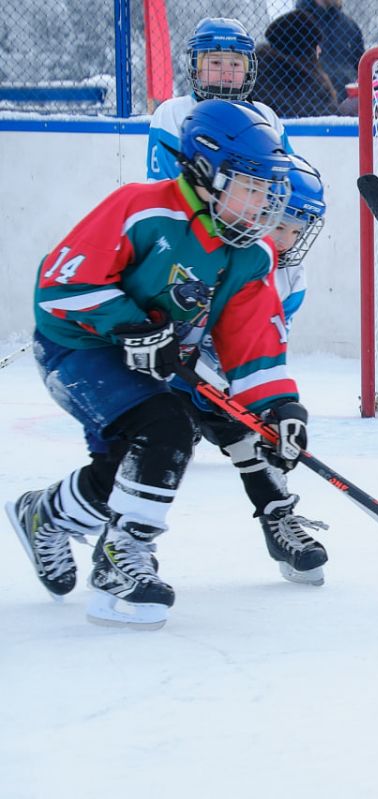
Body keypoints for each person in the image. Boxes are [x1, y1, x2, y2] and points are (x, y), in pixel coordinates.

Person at [6, 100, 305, 629]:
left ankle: (44, 517)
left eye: (267, 191)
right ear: (206, 173)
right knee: (169, 426)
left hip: (149, 365)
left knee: (122, 469)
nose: (263, 204)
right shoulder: (143, 208)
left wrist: (279, 408)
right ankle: (124, 556)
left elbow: (252, 340)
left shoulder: (250, 254)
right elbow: (61, 284)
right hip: (78, 349)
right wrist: (133, 324)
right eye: (251, 187)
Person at [172, 154, 330, 586]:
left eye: (298, 230)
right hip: (173, 377)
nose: (287, 239)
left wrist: (267, 404)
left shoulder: (291, 277)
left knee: (261, 437)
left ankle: (280, 523)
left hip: (222, 381)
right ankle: (108, 530)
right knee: (153, 453)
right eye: (281, 226)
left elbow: (261, 349)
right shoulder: (220, 252)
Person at [146, 18, 290, 181]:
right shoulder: (173, 113)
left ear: (248, 70)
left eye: (235, 64)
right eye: (215, 62)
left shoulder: (266, 117)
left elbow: (285, 178)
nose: (226, 73)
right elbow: (163, 188)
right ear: (197, 69)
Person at [253, 10, 339, 119]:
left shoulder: (256, 74)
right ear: (305, 49)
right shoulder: (309, 84)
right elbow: (326, 116)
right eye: (316, 45)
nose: (320, 50)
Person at [295, 0, 364, 102]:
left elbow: (360, 67)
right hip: (312, 103)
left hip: (348, 100)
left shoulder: (349, 25)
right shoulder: (297, 23)